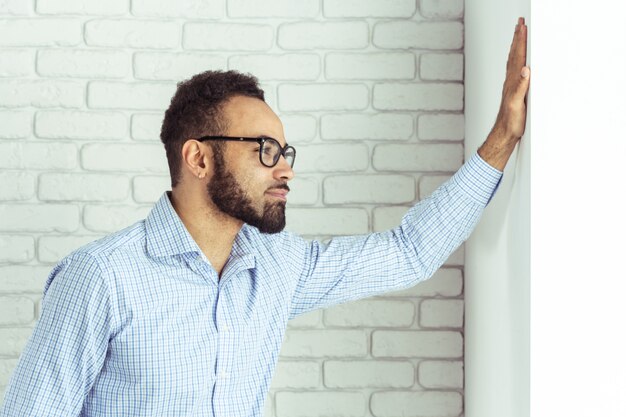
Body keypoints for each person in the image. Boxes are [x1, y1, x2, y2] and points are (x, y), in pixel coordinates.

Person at [0, 18, 530, 417]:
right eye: (263, 150)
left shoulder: (278, 266)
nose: (285, 171)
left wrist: (502, 140)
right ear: (199, 158)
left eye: (285, 152)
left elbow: (407, 253)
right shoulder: (101, 278)